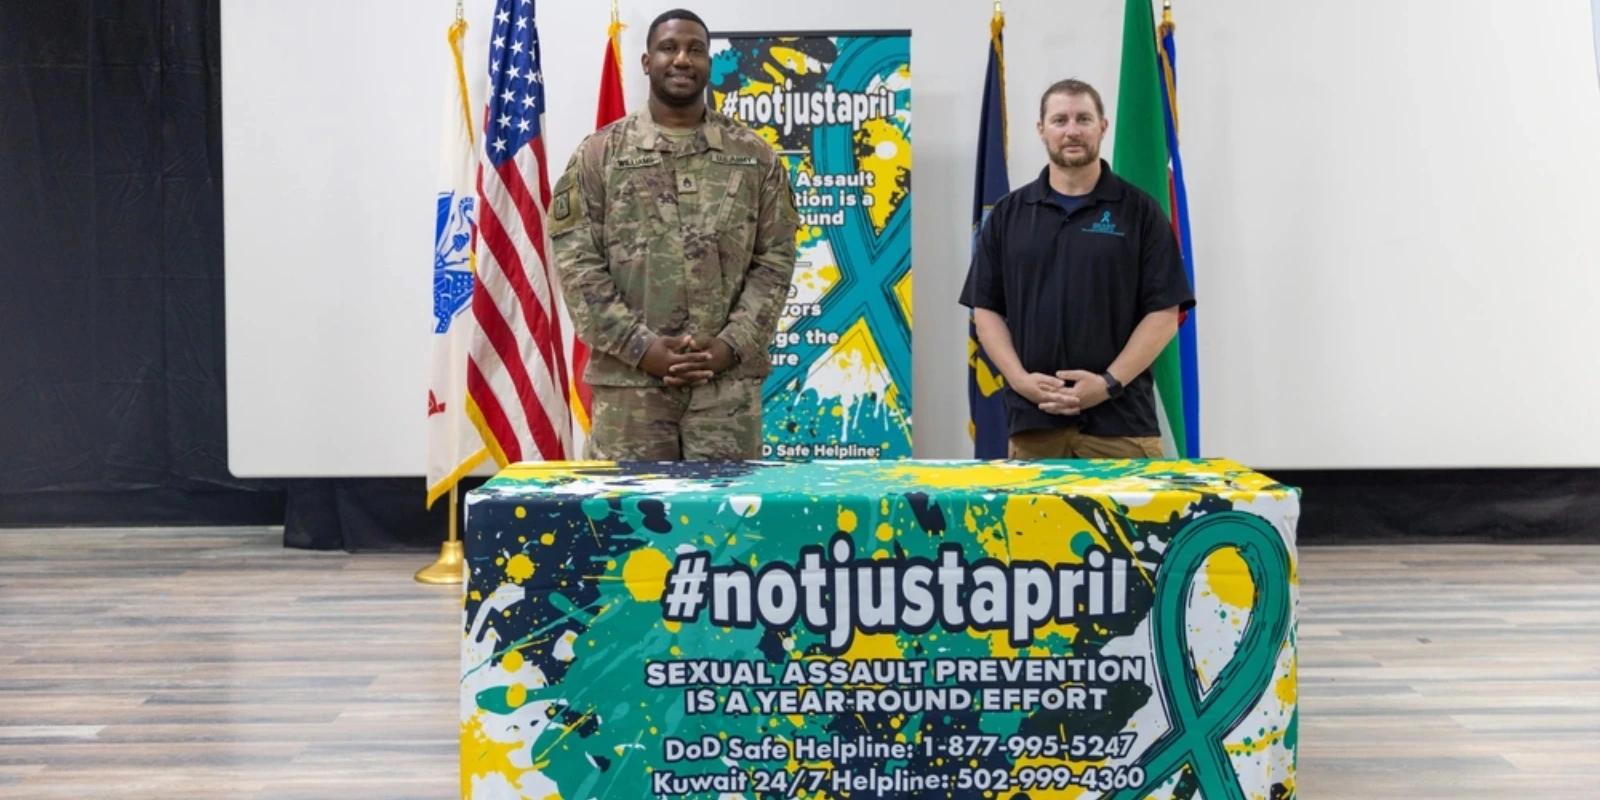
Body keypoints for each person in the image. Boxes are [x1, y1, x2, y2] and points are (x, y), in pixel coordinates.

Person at [550, 8, 799, 460]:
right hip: (630, 390)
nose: (682, 59)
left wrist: (730, 346)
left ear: (709, 63)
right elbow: (577, 263)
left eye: (695, 50)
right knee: (628, 506)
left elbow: (775, 261)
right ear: (647, 62)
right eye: (668, 48)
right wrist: (640, 347)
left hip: (725, 394)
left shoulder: (755, 157)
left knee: (726, 507)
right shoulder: (600, 155)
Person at [960, 78, 1195, 460]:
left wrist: (1108, 384)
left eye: (1083, 119)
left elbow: (1165, 314)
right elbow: (986, 311)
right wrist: (1020, 381)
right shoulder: (1008, 215)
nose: (1072, 130)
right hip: (1034, 427)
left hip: (1122, 428)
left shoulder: (1140, 212)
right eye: (1060, 120)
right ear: (1041, 129)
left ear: (1103, 126)